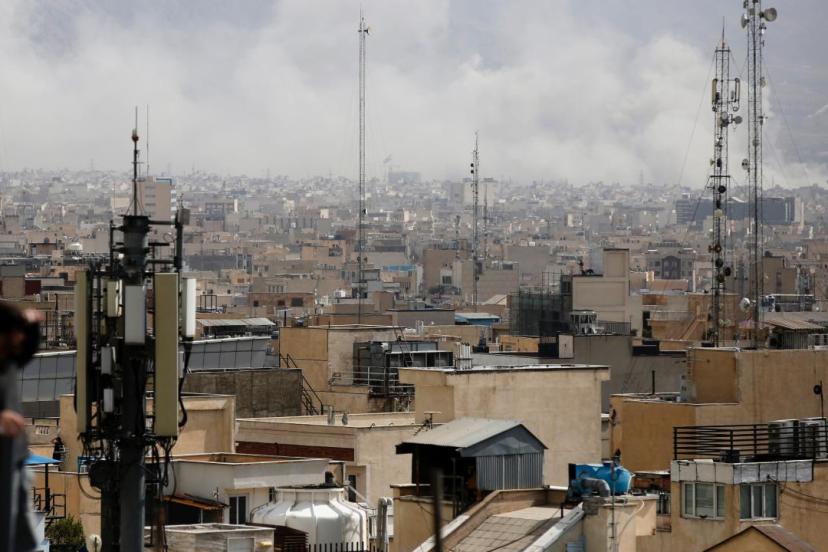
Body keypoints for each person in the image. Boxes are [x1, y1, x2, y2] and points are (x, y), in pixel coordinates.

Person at [0, 301, 42, 552]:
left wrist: (33, 326)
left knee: (22, 538)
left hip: (14, 460)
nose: (20, 338)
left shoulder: (7, 363)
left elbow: (26, 351)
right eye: (16, 332)